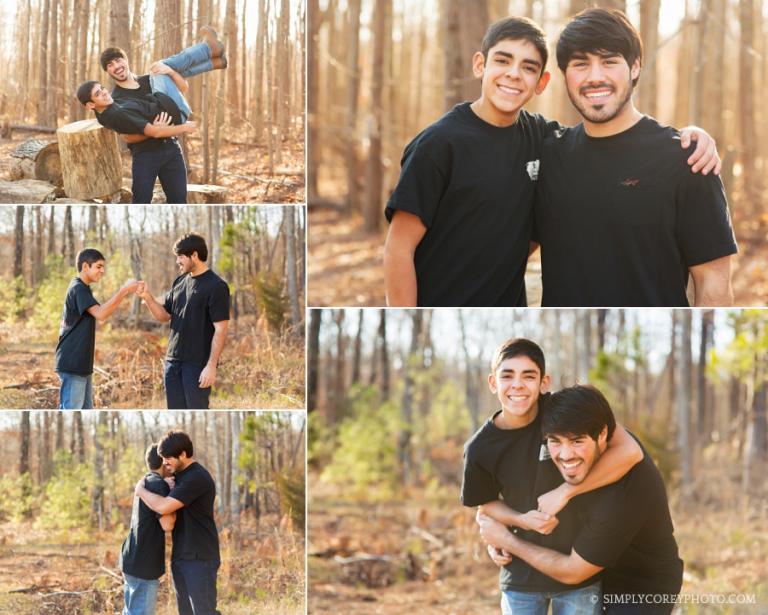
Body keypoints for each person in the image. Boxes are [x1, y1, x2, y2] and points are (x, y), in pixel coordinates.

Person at [383, 16, 720, 307]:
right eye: (502, 61)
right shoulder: (441, 144)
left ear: (542, 82)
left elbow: (715, 285)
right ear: (480, 64)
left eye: (528, 67)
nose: (513, 75)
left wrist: (690, 136)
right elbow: (399, 248)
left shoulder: (543, 140)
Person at [534, 8, 737, 306]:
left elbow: (714, 283)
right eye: (580, 64)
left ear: (635, 67)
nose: (595, 77)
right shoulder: (548, 155)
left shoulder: (687, 159)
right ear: (565, 74)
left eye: (609, 62)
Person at [461, 338, 643, 615]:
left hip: (580, 568)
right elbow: (485, 504)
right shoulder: (479, 449)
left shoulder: (563, 412)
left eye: (528, 376)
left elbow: (630, 451)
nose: (518, 385)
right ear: (492, 383)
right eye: (507, 375)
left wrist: (564, 492)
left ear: (544, 382)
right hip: (519, 576)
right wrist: (520, 520)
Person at [478, 385, 683, 614]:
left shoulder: (626, 492)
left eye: (577, 441)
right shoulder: (571, 445)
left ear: (603, 434)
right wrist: (497, 520)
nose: (566, 455)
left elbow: (572, 571)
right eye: (555, 441)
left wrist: (508, 541)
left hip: (639, 587)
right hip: (596, 573)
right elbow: (501, 490)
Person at [76, 27, 227, 203]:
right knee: (141, 201)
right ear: (107, 72)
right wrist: (155, 130)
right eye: (110, 65)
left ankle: (211, 56)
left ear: (126, 61)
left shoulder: (150, 80)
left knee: (179, 201)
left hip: (171, 147)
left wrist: (169, 72)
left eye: (118, 60)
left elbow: (183, 88)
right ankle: (210, 54)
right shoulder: (114, 100)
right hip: (145, 154)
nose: (116, 66)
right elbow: (127, 136)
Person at [136, 233, 230, 409]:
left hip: (196, 366)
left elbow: (221, 329)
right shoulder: (180, 282)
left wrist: (211, 366)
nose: (177, 261)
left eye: (180, 256)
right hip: (172, 363)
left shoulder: (216, 286)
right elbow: (165, 316)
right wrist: (147, 297)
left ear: (194, 255)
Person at [134, 431, 221, 615]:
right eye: (162, 458)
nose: (164, 463)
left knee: (204, 612)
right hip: (181, 556)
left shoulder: (196, 477)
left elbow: (164, 507)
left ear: (183, 454)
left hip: (200, 557)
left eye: (168, 459)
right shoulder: (179, 476)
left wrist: (140, 490)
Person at [54, 248, 138, 409]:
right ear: (85, 267)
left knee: (86, 409)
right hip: (72, 363)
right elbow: (100, 313)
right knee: (71, 409)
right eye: (99, 266)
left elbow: (100, 311)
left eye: (103, 267)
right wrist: (124, 291)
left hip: (82, 364)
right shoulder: (78, 288)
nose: (102, 271)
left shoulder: (83, 288)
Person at [120, 444, 176, 615]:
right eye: (167, 460)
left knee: (131, 611)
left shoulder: (146, 480)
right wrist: (172, 494)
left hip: (131, 558)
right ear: (162, 461)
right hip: (144, 564)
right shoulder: (159, 485)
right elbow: (167, 524)